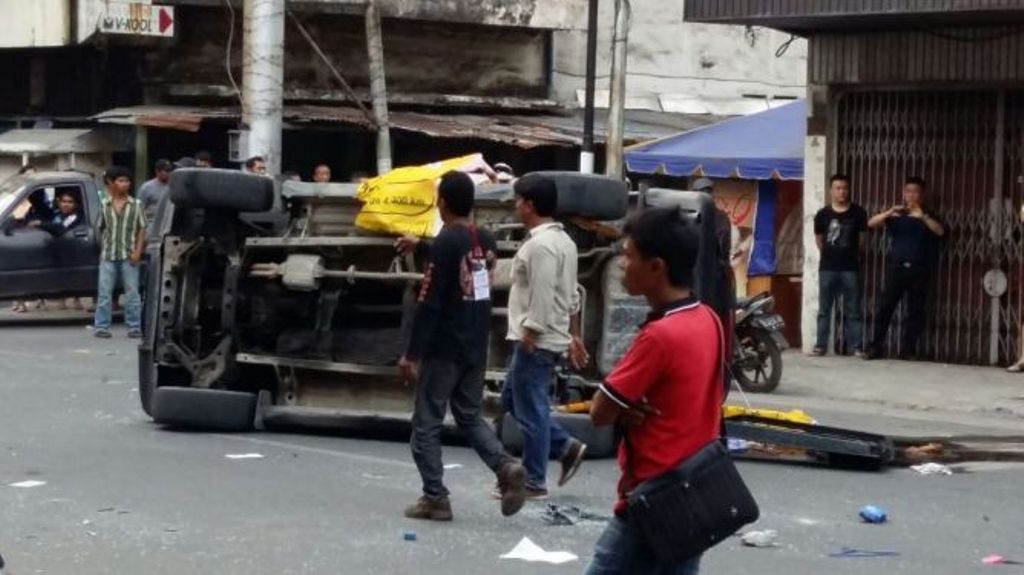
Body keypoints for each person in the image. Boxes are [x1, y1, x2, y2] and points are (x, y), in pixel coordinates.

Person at [586, 207, 723, 575]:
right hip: (694, 491)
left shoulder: (659, 336)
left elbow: (599, 411)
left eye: (629, 256)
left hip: (652, 498)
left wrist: (623, 408)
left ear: (657, 267)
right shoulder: (706, 318)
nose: (621, 265)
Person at [396, 171, 527, 522]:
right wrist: (421, 246)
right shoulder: (483, 239)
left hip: (444, 348)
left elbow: (431, 303)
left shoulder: (445, 242)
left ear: (443, 203)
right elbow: (464, 273)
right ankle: (505, 466)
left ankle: (435, 497)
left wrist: (412, 354)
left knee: (426, 421)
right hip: (475, 343)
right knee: (469, 415)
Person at [502, 173, 588, 500]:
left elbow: (543, 290)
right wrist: (574, 333)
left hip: (535, 338)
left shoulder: (540, 246)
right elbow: (573, 295)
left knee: (532, 408)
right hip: (548, 334)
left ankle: (535, 480)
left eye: (519, 200)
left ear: (530, 205)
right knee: (515, 399)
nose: (515, 206)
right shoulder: (564, 241)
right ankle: (565, 447)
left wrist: (530, 332)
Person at [864, 177, 945, 360]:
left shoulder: (929, 214)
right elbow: (871, 223)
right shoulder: (897, 215)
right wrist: (889, 212)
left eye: (915, 191)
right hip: (897, 268)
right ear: (903, 193)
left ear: (922, 194)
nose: (911, 195)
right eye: (908, 191)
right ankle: (875, 347)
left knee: (915, 311)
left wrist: (923, 217)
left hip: (919, 269)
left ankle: (908, 350)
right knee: (885, 308)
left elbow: (940, 231)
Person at [812, 174, 868, 356]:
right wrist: (830, 254)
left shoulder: (859, 213)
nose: (841, 191)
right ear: (831, 191)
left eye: (844, 187)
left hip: (850, 268)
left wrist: (851, 255)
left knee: (853, 310)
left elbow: (861, 241)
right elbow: (819, 240)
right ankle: (820, 346)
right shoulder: (822, 215)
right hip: (827, 268)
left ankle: (857, 347)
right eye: (838, 188)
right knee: (824, 310)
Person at [94, 166, 146, 339]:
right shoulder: (104, 205)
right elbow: (100, 229)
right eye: (121, 181)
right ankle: (101, 327)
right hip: (108, 256)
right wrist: (103, 249)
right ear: (112, 183)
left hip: (128, 256)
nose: (125, 184)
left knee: (132, 293)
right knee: (104, 294)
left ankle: (134, 326)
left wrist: (138, 252)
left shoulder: (136, 205)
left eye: (127, 181)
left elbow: (141, 230)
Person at [43, 191, 86, 311]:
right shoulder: (56, 215)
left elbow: (60, 229)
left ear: (75, 204)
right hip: (57, 250)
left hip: (73, 249)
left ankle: (75, 299)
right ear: (59, 202)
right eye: (63, 201)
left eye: (70, 202)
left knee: (72, 275)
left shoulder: (75, 216)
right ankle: (62, 299)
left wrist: (42, 224)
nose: (66, 205)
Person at [137, 159, 172, 236]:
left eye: (169, 170)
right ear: (157, 171)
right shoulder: (146, 187)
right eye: (165, 170)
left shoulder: (174, 186)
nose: (167, 173)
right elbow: (139, 210)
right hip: (151, 224)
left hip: (168, 225)